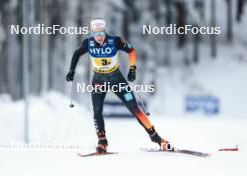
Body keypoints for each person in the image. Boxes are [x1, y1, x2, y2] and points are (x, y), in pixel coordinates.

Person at [66, 18, 173, 153]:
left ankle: (158, 139)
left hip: (116, 79)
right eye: (95, 34)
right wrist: (71, 70)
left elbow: (131, 51)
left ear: (105, 32)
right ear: (92, 33)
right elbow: (76, 54)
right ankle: (102, 142)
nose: (99, 37)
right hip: (99, 80)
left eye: (101, 34)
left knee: (135, 109)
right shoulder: (88, 43)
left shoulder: (115, 41)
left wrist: (132, 68)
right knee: (97, 111)